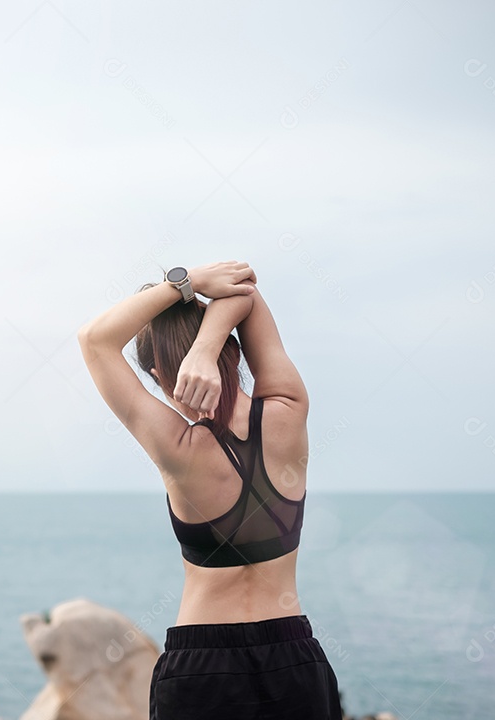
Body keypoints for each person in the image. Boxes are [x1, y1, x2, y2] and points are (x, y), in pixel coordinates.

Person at [78, 261, 343, 719]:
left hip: (201, 671)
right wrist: (207, 346)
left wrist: (188, 283)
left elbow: (94, 340)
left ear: (159, 377)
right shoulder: (288, 410)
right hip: (294, 661)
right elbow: (246, 291)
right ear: (235, 354)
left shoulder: (177, 448)